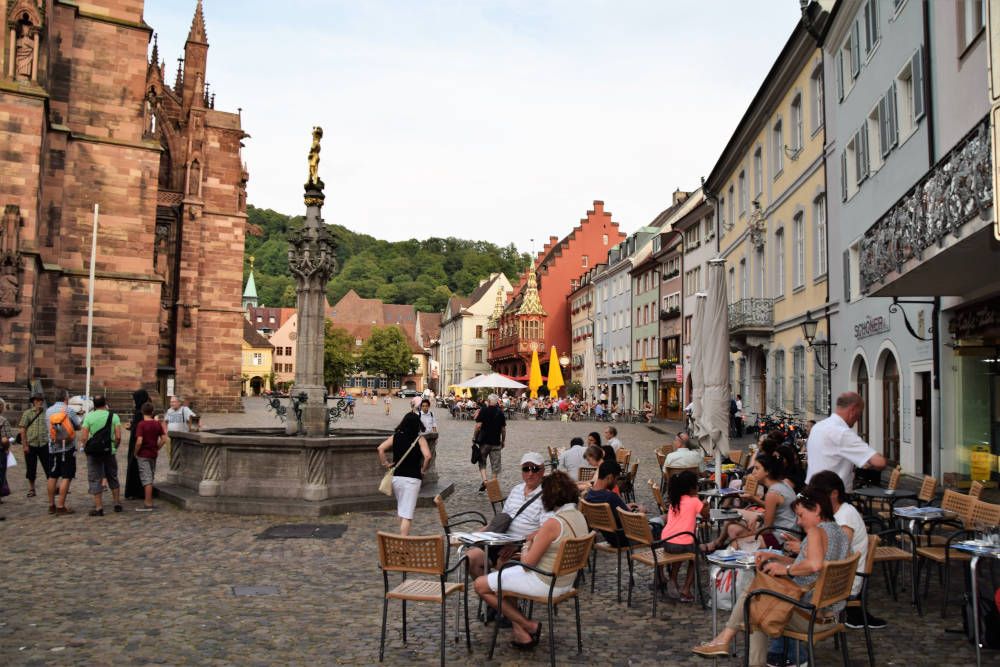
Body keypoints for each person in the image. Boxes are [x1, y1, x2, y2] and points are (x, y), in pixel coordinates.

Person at [692, 486, 850, 662]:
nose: (798, 522)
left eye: (801, 515)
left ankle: (724, 639)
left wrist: (786, 569)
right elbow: (818, 564)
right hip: (830, 614)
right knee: (756, 600)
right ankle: (724, 640)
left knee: (754, 604)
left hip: (811, 615)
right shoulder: (838, 531)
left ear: (817, 509)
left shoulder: (815, 531)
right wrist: (775, 557)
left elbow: (814, 564)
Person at [473, 470, 588, 650]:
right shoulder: (579, 516)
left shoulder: (553, 523)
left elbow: (527, 564)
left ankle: (527, 625)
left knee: (480, 585)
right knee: (508, 572)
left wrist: (527, 545)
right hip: (567, 581)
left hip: (546, 582)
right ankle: (521, 633)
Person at [802, 471, 885, 630]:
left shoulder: (845, 517)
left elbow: (837, 555)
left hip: (842, 582)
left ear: (834, 494)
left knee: (785, 589)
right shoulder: (835, 513)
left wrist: (803, 549)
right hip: (835, 575)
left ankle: (793, 642)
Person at [466, 452, 547, 579]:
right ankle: (491, 591)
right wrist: (478, 533)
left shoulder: (547, 495)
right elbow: (504, 518)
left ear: (542, 471)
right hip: (500, 539)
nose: (530, 473)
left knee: (503, 564)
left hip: (523, 545)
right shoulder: (516, 490)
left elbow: (545, 530)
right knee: (470, 559)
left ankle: (498, 593)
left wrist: (519, 544)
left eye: (535, 469)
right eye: (526, 469)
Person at [704, 454, 797, 552]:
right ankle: (721, 546)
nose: (753, 472)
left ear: (768, 472)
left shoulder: (773, 493)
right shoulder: (784, 484)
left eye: (757, 468)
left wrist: (744, 536)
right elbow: (778, 510)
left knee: (736, 542)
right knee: (733, 528)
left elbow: (767, 529)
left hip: (782, 536)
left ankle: (729, 560)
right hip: (787, 531)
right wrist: (758, 516)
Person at [805, 392, 887, 493]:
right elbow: (880, 462)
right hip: (831, 495)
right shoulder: (842, 432)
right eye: (860, 413)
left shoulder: (818, 427)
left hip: (812, 490)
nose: (858, 419)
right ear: (853, 410)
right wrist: (870, 461)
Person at [376, 411, 432, 535]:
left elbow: (380, 448)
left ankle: (402, 539)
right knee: (407, 514)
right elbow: (428, 456)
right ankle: (403, 543)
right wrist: (423, 470)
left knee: (402, 509)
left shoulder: (396, 436)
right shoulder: (419, 439)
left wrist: (386, 463)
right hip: (412, 479)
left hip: (397, 478)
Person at [660, 470, 709, 602]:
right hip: (682, 542)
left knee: (681, 550)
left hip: (666, 542)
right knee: (695, 557)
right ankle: (686, 588)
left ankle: (673, 580)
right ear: (692, 488)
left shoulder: (674, 501)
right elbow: (706, 516)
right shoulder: (694, 501)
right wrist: (705, 505)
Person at [78, 395, 123, 516]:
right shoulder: (114, 416)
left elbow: (83, 437)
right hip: (109, 451)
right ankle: (117, 503)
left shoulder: (89, 417)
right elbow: (118, 437)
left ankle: (99, 507)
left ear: (94, 405)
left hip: (94, 452)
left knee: (95, 478)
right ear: (105, 403)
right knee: (112, 476)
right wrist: (115, 447)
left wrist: (87, 448)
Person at [46, 388, 82, 514]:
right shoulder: (68, 410)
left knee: (52, 476)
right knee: (67, 476)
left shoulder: (48, 411)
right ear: (66, 398)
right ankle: (61, 505)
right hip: (67, 447)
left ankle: (51, 505)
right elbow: (78, 426)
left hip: (53, 447)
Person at [583, 460, 632, 547]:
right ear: (609, 477)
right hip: (627, 537)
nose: (616, 483)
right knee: (661, 520)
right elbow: (630, 520)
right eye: (616, 479)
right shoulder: (611, 497)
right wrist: (640, 511)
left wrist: (625, 507)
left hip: (609, 537)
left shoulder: (589, 495)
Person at [134, 401, 166, 512]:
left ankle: (148, 503)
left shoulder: (141, 424)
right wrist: (157, 447)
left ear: (142, 412)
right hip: (153, 453)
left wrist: (135, 452)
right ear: (152, 412)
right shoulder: (157, 424)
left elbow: (139, 441)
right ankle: (149, 501)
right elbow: (164, 439)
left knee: (146, 478)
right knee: (150, 476)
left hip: (143, 453)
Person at [19, 392, 50, 498]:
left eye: (41, 400)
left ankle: (52, 486)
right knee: (31, 468)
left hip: (44, 444)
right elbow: (22, 430)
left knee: (49, 467)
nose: (39, 402)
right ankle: (32, 489)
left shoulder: (46, 413)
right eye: (37, 400)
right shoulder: (27, 413)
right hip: (31, 444)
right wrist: (25, 445)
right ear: (33, 401)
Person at [474, 393, 506, 492]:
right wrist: (503, 441)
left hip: (484, 442)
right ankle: (493, 487)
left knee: (482, 461)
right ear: (497, 402)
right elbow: (503, 429)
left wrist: (474, 437)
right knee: (495, 465)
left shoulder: (484, 410)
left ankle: (485, 480)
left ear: (488, 401)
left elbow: (478, 426)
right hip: (496, 442)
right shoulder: (500, 413)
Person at [123, 388, 149, 500]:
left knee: (136, 466)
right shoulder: (142, 411)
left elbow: (139, 430)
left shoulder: (140, 413)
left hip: (137, 444)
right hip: (138, 442)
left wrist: (132, 427)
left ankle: (135, 491)